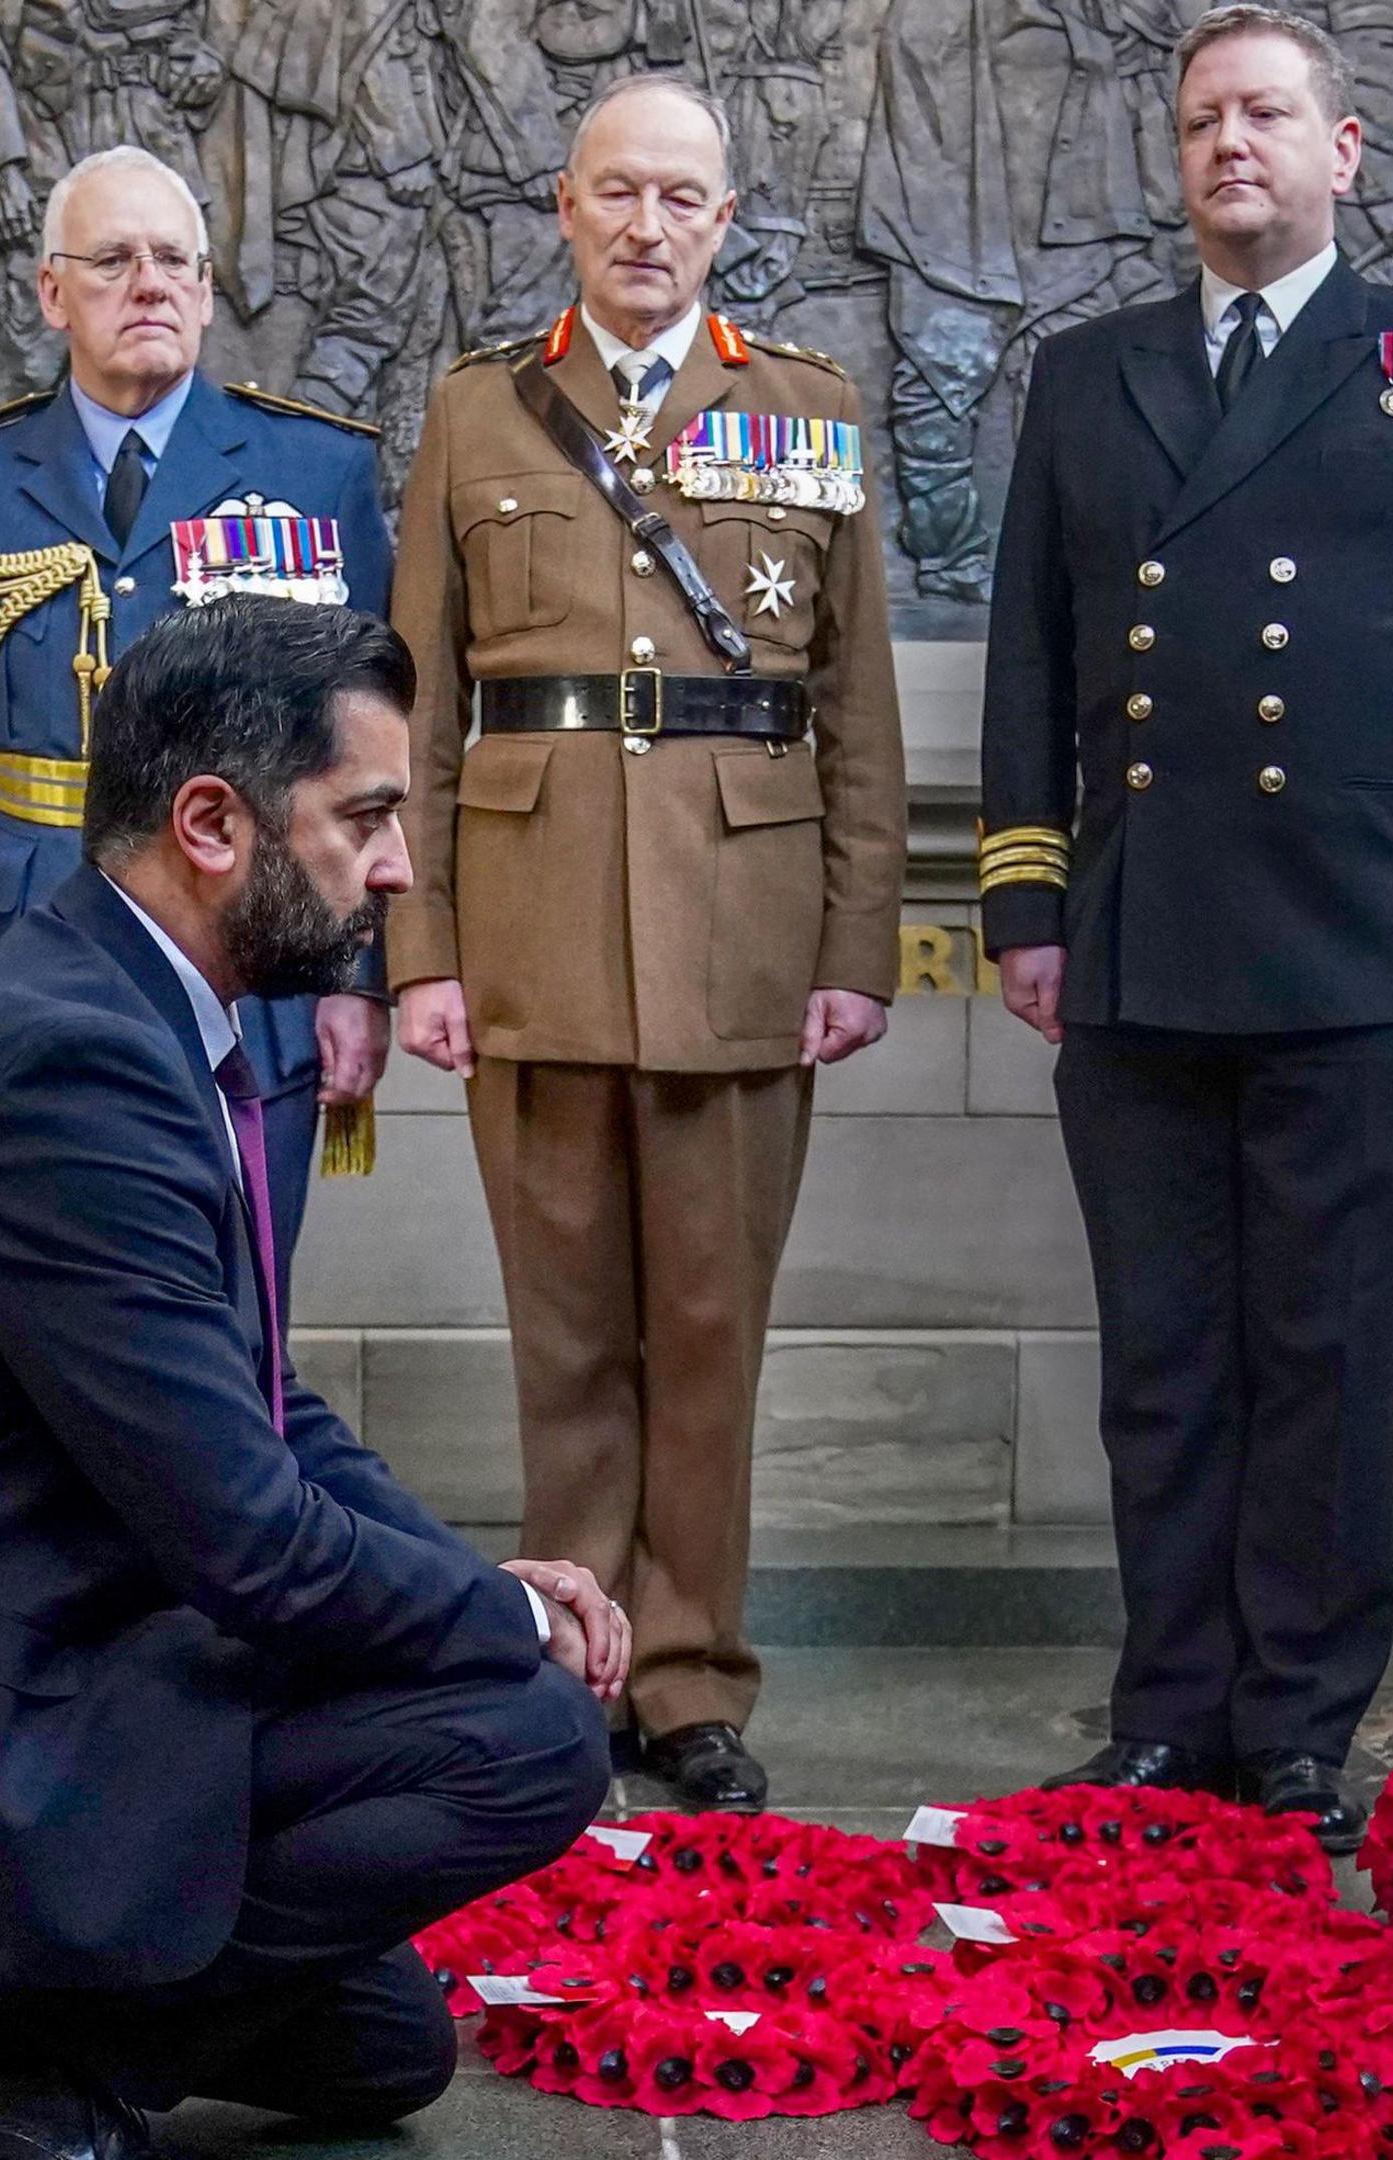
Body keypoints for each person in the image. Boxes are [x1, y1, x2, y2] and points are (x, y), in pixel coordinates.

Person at [0, 598, 621, 2158]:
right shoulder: (76, 1060)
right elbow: (250, 1538)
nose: (396, 869)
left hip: (57, 1630)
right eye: (367, 818)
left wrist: (467, 1582)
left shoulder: (133, 1003)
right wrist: (516, 1624)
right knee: (530, 1744)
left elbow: (270, 1412)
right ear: (212, 822)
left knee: (384, 2051)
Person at [976, 6, 1393, 1849]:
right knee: (1163, 1363)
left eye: (1265, 115)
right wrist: (1026, 899)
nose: (1230, 144)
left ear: (1347, 151)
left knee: (1323, 1360)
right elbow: (1034, 660)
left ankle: (1302, 1728)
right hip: (1144, 942)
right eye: (1199, 122)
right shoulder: (1092, 374)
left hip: (1365, 948)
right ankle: (1169, 1712)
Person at [390, 73, 908, 1814]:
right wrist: (423, 952)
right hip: (530, 924)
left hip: (739, 934)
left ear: (726, 224)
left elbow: (854, 709)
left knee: (706, 1327)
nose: (646, 225)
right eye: (617, 193)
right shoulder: (474, 416)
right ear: (565, 204)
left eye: (682, 199)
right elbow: (420, 713)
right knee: (563, 1334)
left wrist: (855, 943)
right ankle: (567, 1659)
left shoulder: (809, 413)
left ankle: (689, 1673)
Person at [0, 144, 393, 1276]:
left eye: (175, 260)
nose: (150, 283)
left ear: (210, 291)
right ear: (50, 293)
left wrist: (356, 973)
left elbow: (365, 756)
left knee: (236, 1296)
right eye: (113, 260)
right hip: (22, 934)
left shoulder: (315, 473)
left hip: (253, 943)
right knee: (36, 1291)